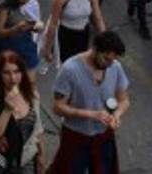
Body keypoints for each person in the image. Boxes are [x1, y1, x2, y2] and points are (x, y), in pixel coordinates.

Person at [48, 30, 130, 174]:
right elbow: (58, 107)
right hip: (76, 135)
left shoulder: (115, 67)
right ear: (95, 48)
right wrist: (91, 114)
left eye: (112, 60)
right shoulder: (70, 69)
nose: (109, 64)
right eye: (106, 59)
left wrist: (117, 115)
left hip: (103, 135)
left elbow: (124, 100)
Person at [0, 51, 45, 174]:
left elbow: (38, 129)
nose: (12, 78)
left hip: (27, 160)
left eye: (17, 71)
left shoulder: (32, 94)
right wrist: (7, 110)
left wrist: (41, 156)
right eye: (6, 73)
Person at [42, 0, 107, 66]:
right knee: (67, 65)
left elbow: (98, 19)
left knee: (80, 64)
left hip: (83, 34)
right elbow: (53, 23)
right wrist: (48, 47)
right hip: (66, 36)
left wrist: (106, 40)